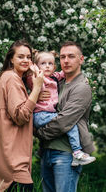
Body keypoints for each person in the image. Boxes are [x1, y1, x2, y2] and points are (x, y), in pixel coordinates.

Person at [0, 40, 44, 192]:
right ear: (11, 59)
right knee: (24, 185)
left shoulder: (11, 77)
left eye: (28, 57)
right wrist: (37, 88)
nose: (25, 60)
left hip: (6, 147)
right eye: (20, 57)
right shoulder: (12, 78)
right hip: (11, 152)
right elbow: (20, 115)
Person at [35, 41, 95, 192]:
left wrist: (38, 133)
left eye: (71, 56)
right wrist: (36, 94)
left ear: (81, 59)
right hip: (47, 151)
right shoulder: (55, 82)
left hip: (66, 154)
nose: (66, 61)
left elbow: (63, 122)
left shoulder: (81, 87)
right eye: (62, 57)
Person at [27, 51, 95, 166]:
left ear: (54, 67)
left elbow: (65, 73)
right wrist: (35, 71)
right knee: (69, 124)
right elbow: (37, 86)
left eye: (50, 63)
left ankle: (51, 151)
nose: (47, 66)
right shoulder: (37, 78)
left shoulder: (54, 77)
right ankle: (77, 152)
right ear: (36, 66)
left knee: (66, 123)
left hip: (46, 114)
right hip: (41, 114)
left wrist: (82, 78)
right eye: (43, 63)